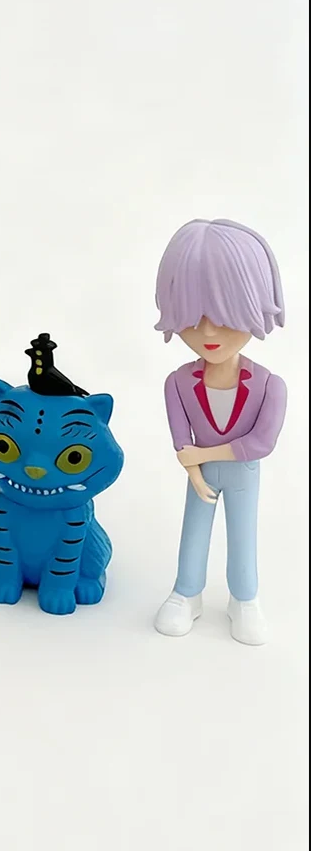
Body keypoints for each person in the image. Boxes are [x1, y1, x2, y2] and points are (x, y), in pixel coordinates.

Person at [153, 218, 287, 645]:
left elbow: (261, 443)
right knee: (193, 532)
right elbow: (182, 441)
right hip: (202, 475)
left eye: (225, 315)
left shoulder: (270, 385)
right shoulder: (177, 382)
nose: (209, 331)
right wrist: (193, 468)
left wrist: (202, 456)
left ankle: (244, 599)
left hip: (241, 474)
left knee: (243, 535)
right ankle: (186, 593)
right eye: (194, 317)